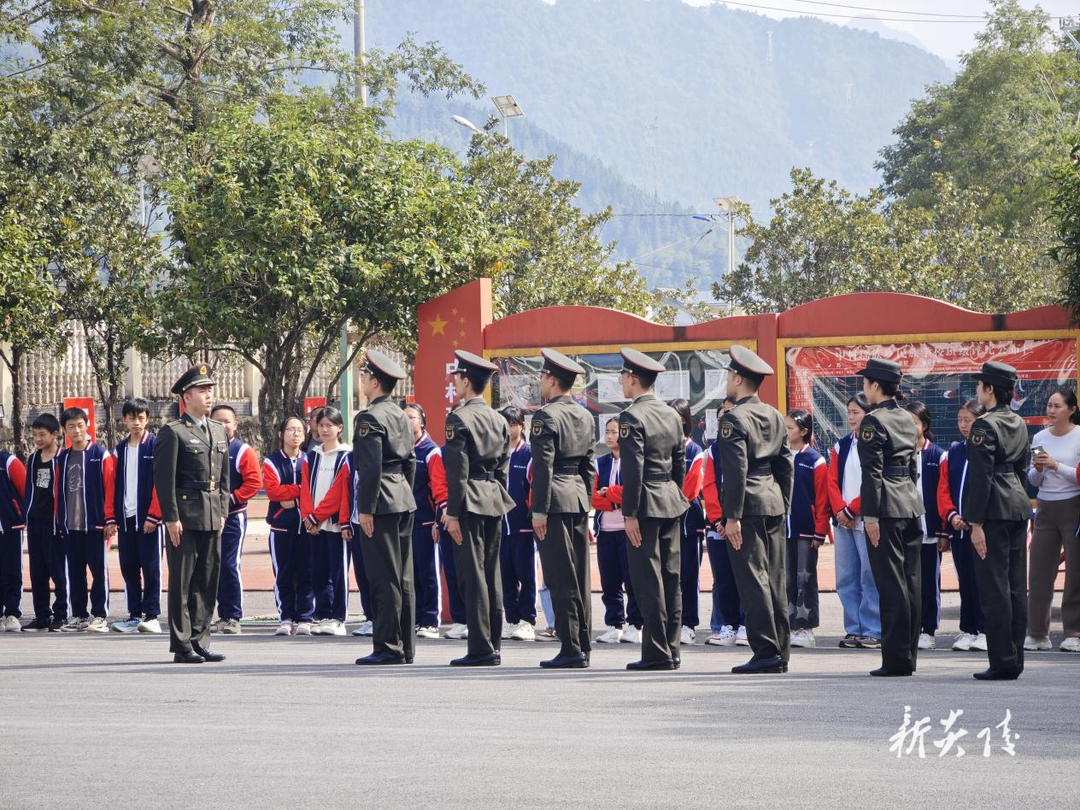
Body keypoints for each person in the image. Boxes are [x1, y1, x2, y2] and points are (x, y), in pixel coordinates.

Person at [718, 345, 794, 675]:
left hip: (747, 503)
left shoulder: (734, 418)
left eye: (728, 375)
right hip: (773, 500)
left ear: (738, 378)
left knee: (752, 579)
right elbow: (786, 464)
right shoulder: (774, 415)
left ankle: (765, 651)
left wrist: (731, 516)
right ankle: (781, 650)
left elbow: (734, 472)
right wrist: (784, 502)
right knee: (775, 578)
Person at [441, 350, 515, 667]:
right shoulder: (499, 419)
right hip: (493, 496)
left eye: (457, 377)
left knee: (472, 577)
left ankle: (480, 648)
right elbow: (503, 467)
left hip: (469, 498)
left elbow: (457, 473)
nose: (454, 382)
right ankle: (493, 643)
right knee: (490, 573)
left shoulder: (458, 418)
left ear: (467, 380)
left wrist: (453, 512)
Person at [617, 348, 689, 671]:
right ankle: (671, 649)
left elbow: (633, 470)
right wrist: (674, 492)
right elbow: (679, 463)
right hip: (669, 499)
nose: (621, 381)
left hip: (645, 503)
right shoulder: (672, 415)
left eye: (622, 376)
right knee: (671, 578)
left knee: (648, 579)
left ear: (633, 379)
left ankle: (656, 651)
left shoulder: (632, 416)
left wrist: (629, 512)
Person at [154, 365, 230, 663]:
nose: (208, 395)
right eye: (202, 390)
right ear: (186, 396)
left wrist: (222, 510)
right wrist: (171, 518)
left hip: (212, 515)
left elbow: (224, 479)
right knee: (182, 583)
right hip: (184, 517)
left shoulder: (218, 430)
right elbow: (164, 480)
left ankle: (200, 639)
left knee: (207, 581)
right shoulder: (173, 432)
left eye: (210, 389)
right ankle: (182, 644)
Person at [857, 358, 923, 677]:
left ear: (876, 385)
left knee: (891, 583)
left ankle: (895, 660)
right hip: (910, 502)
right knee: (911, 581)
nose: (863, 388)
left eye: (866, 382)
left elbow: (871, 474)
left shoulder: (873, 421)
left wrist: (869, 516)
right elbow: (911, 466)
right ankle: (907, 655)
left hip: (885, 507)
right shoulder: (908, 419)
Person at [965, 361, 1032, 679]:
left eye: (980, 385)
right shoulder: (1018, 421)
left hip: (993, 511)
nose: (977, 391)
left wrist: (975, 523)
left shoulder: (984, 425)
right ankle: (1015, 658)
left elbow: (980, 478)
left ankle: (1002, 660)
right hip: (1018, 506)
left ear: (990, 389)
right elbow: (1021, 468)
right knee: (1017, 587)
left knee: (994, 588)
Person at [531, 349, 596, 669]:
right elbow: (589, 466)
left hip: (555, 499)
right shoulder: (584, 415)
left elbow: (542, 468)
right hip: (578, 499)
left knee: (559, 576)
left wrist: (538, 510)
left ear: (553, 380)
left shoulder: (545, 416)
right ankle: (583, 641)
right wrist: (588, 503)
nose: (540, 382)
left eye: (542, 377)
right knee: (580, 575)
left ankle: (571, 648)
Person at [353, 350, 417, 666]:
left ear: (375, 382)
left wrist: (365, 509)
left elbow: (370, 468)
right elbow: (410, 462)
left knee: (383, 577)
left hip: (381, 501)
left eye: (364, 376)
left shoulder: (370, 417)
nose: (361, 381)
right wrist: (403, 490)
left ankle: (388, 646)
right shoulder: (401, 415)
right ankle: (405, 646)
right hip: (402, 496)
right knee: (403, 575)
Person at [1025, 387, 1080, 653]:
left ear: (1071, 409)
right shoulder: (1039, 436)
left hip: (1073, 505)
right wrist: (1037, 469)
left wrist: (1056, 465)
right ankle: (1037, 633)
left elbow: (1078, 475)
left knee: (1075, 572)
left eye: (1057, 406)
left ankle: (1074, 632)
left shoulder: (1078, 436)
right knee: (1038, 571)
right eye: (1049, 405)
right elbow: (1033, 481)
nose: (1051, 411)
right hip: (1045, 506)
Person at [826, 394, 881, 650]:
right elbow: (832, 481)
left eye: (856, 412)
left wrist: (852, 509)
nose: (850, 417)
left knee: (869, 575)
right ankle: (853, 628)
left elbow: (874, 481)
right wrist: (839, 509)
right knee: (846, 577)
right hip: (844, 522)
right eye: (848, 412)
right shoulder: (842, 445)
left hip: (865, 519)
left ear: (869, 415)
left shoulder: (877, 442)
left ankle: (873, 629)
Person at [57, 407, 116, 634]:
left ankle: (100, 615)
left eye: (80, 425)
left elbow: (110, 488)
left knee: (98, 570)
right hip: (71, 525)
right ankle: (79, 615)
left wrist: (109, 519)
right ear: (65, 430)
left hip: (95, 525)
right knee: (75, 571)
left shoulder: (100, 455)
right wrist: (60, 521)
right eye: (71, 426)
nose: (76, 430)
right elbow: (58, 492)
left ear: (87, 424)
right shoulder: (63, 457)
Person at [936, 399, 987, 652]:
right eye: (960, 420)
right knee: (964, 578)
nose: (964, 425)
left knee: (982, 579)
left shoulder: (987, 448)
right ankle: (968, 629)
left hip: (981, 527)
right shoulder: (953, 451)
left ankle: (985, 629)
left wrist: (976, 517)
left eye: (969, 420)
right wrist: (952, 515)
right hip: (959, 528)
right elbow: (943, 489)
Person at [110, 398, 164, 635]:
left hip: (148, 520)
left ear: (148, 419)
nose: (136, 423)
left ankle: (151, 615)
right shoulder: (119, 450)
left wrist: (154, 515)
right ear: (124, 420)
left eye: (141, 418)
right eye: (132, 418)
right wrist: (112, 517)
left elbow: (162, 484)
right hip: (126, 519)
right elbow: (112, 485)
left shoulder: (156, 446)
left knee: (151, 568)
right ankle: (134, 615)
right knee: (129, 567)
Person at [210, 404, 263, 636]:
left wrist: (230, 499)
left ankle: (233, 616)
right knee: (212, 567)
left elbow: (254, 482)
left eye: (226, 421)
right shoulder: (205, 448)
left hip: (232, 518)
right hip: (208, 518)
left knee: (230, 565)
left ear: (235, 425)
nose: (222, 425)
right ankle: (218, 616)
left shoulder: (243, 451)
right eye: (217, 421)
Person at [300, 406, 352, 637]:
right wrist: (308, 518)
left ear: (339, 428)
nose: (324, 429)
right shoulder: (312, 455)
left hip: (335, 524)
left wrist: (317, 516)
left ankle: (339, 618)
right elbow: (305, 491)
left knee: (338, 571)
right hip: (315, 525)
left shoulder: (347, 456)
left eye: (329, 425)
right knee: (318, 571)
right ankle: (322, 615)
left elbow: (339, 491)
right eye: (321, 425)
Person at [593, 417, 643, 645]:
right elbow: (592, 496)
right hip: (606, 529)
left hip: (628, 529)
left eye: (614, 431)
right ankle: (614, 624)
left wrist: (610, 493)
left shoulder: (633, 461)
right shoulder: (599, 463)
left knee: (632, 579)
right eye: (607, 431)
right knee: (609, 580)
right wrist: (613, 500)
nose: (610, 436)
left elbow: (632, 491)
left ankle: (635, 624)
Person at [903, 401, 948, 651]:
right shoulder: (900, 451)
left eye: (914, 422)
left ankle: (928, 629)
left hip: (930, 530)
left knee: (929, 582)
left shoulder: (937, 455)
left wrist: (942, 531)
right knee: (908, 580)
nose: (910, 427)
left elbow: (942, 493)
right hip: (906, 529)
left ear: (924, 425)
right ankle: (912, 626)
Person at [701, 397, 746, 647]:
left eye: (729, 415)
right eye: (720, 418)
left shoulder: (746, 443)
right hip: (718, 525)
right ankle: (728, 625)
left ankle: (746, 625)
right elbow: (708, 486)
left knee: (745, 577)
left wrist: (732, 518)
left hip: (740, 524)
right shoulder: (714, 450)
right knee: (724, 578)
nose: (724, 421)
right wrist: (719, 519)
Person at [263, 416, 314, 636]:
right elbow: (274, 492)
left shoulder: (311, 460)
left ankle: (305, 617)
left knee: (306, 573)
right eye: (291, 429)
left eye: (300, 430)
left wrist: (293, 496)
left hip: (307, 527)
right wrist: (300, 492)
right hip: (281, 528)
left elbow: (312, 489)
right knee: (283, 574)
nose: (296, 434)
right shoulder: (271, 461)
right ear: (281, 434)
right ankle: (285, 617)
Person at [402, 402, 448, 640]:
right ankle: (416, 618)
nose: (408, 421)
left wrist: (437, 522)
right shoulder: (400, 449)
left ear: (422, 421)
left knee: (428, 572)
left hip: (426, 523)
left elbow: (439, 490)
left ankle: (430, 620)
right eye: (404, 417)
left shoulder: (431, 451)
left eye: (412, 417)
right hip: (405, 522)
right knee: (409, 574)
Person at [784, 409, 829, 649]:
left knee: (805, 578)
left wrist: (820, 530)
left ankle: (805, 627)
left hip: (806, 530)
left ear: (803, 431)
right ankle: (788, 624)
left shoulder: (815, 460)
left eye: (790, 428)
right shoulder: (779, 456)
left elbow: (822, 498)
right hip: (783, 530)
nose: (786, 431)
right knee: (786, 578)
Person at [20, 414, 68, 632]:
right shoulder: (33, 458)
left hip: (54, 523)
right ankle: (42, 615)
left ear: (55, 435)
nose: (37, 439)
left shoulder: (63, 458)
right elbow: (29, 490)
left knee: (57, 569)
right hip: (36, 521)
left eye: (42, 435)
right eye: (35, 435)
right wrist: (27, 516)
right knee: (37, 571)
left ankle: (61, 614)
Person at [669, 398, 707, 646]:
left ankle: (688, 624)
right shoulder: (661, 447)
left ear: (683, 419)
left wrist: (665, 497)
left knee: (688, 576)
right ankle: (671, 622)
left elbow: (691, 488)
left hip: (687, 522)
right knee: (669, 575)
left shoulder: (695, 451)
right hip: (665, 520)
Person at [499, 406, 537, 642]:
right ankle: (511, 620)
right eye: (506, 423)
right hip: (501, 526)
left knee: (527, 574)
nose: (509, 428)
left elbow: (533, 488)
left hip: (522, 525)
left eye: (513, 423)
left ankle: (527, 621)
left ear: (522, 425)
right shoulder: (497, 452)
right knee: (505, 575)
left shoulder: (530, 454)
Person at [0, 444, 27, 632]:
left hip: (10, 525)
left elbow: (26, 490)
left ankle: (12, 613)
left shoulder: (8, 461)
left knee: (12, 570)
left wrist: (21, 513)